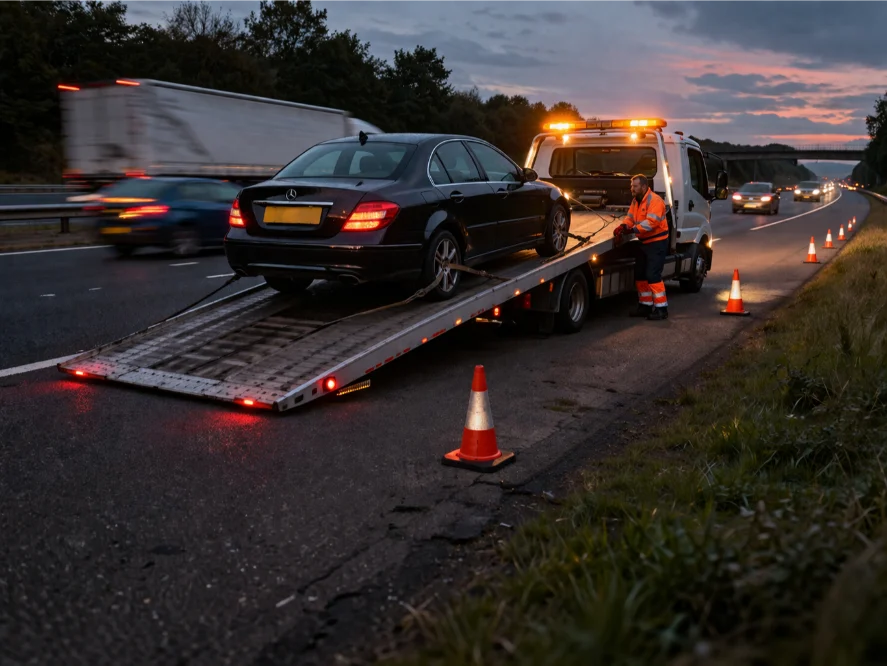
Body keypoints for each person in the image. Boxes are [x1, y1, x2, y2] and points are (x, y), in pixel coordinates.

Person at [613, 174, 670, 320]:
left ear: (644, 187)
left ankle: (661, 309)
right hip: (644, 243)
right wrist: (624, 225)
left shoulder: (655, 201)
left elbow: (652, 222)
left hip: (657, 243)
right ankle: (645, 306)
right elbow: (631, 217)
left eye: (635, 186)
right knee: (640, 274)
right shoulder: (636, 201)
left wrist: (632, 230)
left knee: (653, 275)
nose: (631, 188)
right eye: (631, 186)